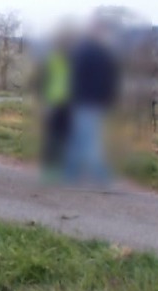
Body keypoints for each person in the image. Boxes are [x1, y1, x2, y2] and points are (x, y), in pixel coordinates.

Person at [64, 22, 120, 186]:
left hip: (83, 100)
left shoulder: (83, 51)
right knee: (89, 140)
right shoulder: (98, 53)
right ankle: (101, 176)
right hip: (90, 101)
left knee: (79, 138)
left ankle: (71, 175)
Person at [34, 41, 72, 181]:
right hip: (56, 103)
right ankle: (51, 171)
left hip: (65, 105)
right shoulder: (53, 63)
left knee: (60, 136)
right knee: (54, 136)